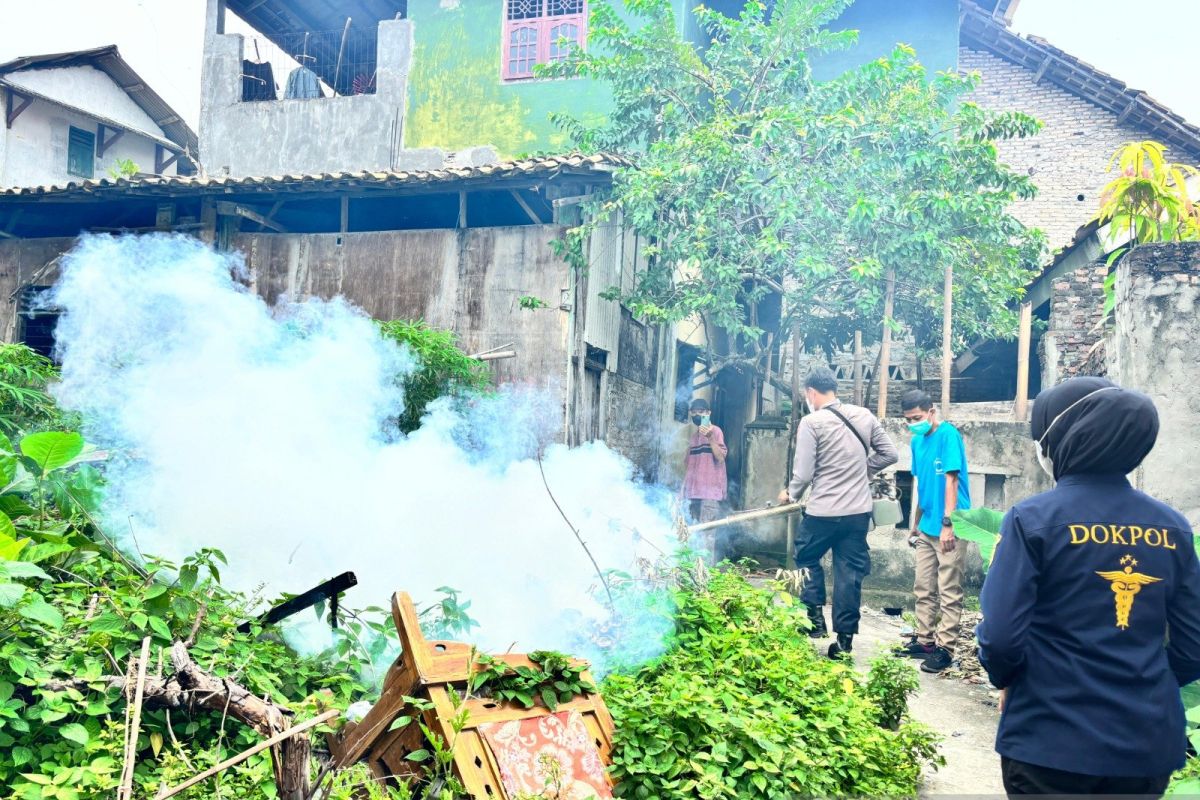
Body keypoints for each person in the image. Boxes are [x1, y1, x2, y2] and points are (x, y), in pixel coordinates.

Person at [977, 377, 1200, 797]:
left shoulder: (1032, 519)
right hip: (1146, 744)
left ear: (1059, 441)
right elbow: (1194, 646)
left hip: (1050, 739)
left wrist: (1010, 681)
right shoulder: (1172, 527)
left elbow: (1002, 636)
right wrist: (1143, 690)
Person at [777, 366, 898, 658]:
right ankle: (844, 644)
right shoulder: (865, 416)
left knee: (806, 556)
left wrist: (789, 493)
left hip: (823, 512)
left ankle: (814, 618)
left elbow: (804, 472)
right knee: (849, 574)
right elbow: (890, 454)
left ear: (811, 392)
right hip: (858, 514)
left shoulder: (811, 422)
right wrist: (862, 470)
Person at [895, 389, 972, 674]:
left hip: (951, 525)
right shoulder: (917, 441)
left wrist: (948, 524)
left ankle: (945, 649)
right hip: (926, 527)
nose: (913, 422)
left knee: (949, 589)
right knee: (923, 587)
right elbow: (922, 485)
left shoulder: (948, 435)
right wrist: (915, 523)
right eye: (909, 419)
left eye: (917, 417)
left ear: (931, 412)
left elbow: (951, 480)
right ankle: (925, 641)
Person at [682, 397, 727, 562]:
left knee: (707, 538)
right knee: (694, 536)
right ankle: (695, 573)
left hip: (710, 494)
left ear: (708, 413)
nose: (696, 416)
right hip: (694, 494)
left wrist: (710, 438)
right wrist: (682, 492)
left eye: (700, 413)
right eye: (693, 413)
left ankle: (706, 576)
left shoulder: (716, 431)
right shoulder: (694, 437)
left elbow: (720, 458)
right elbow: (689, 468)